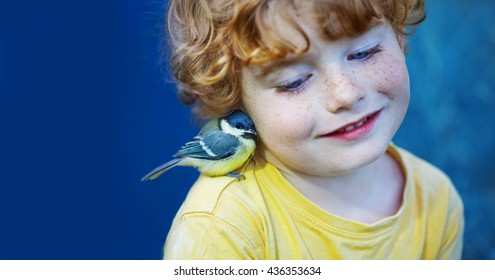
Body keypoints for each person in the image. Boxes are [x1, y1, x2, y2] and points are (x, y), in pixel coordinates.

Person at [162, 0, 464, 259]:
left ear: (398, 37)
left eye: (364, 52)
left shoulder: (437, 201)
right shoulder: (220, 232)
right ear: (235, 99)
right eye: (294, 81)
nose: (345, 94)